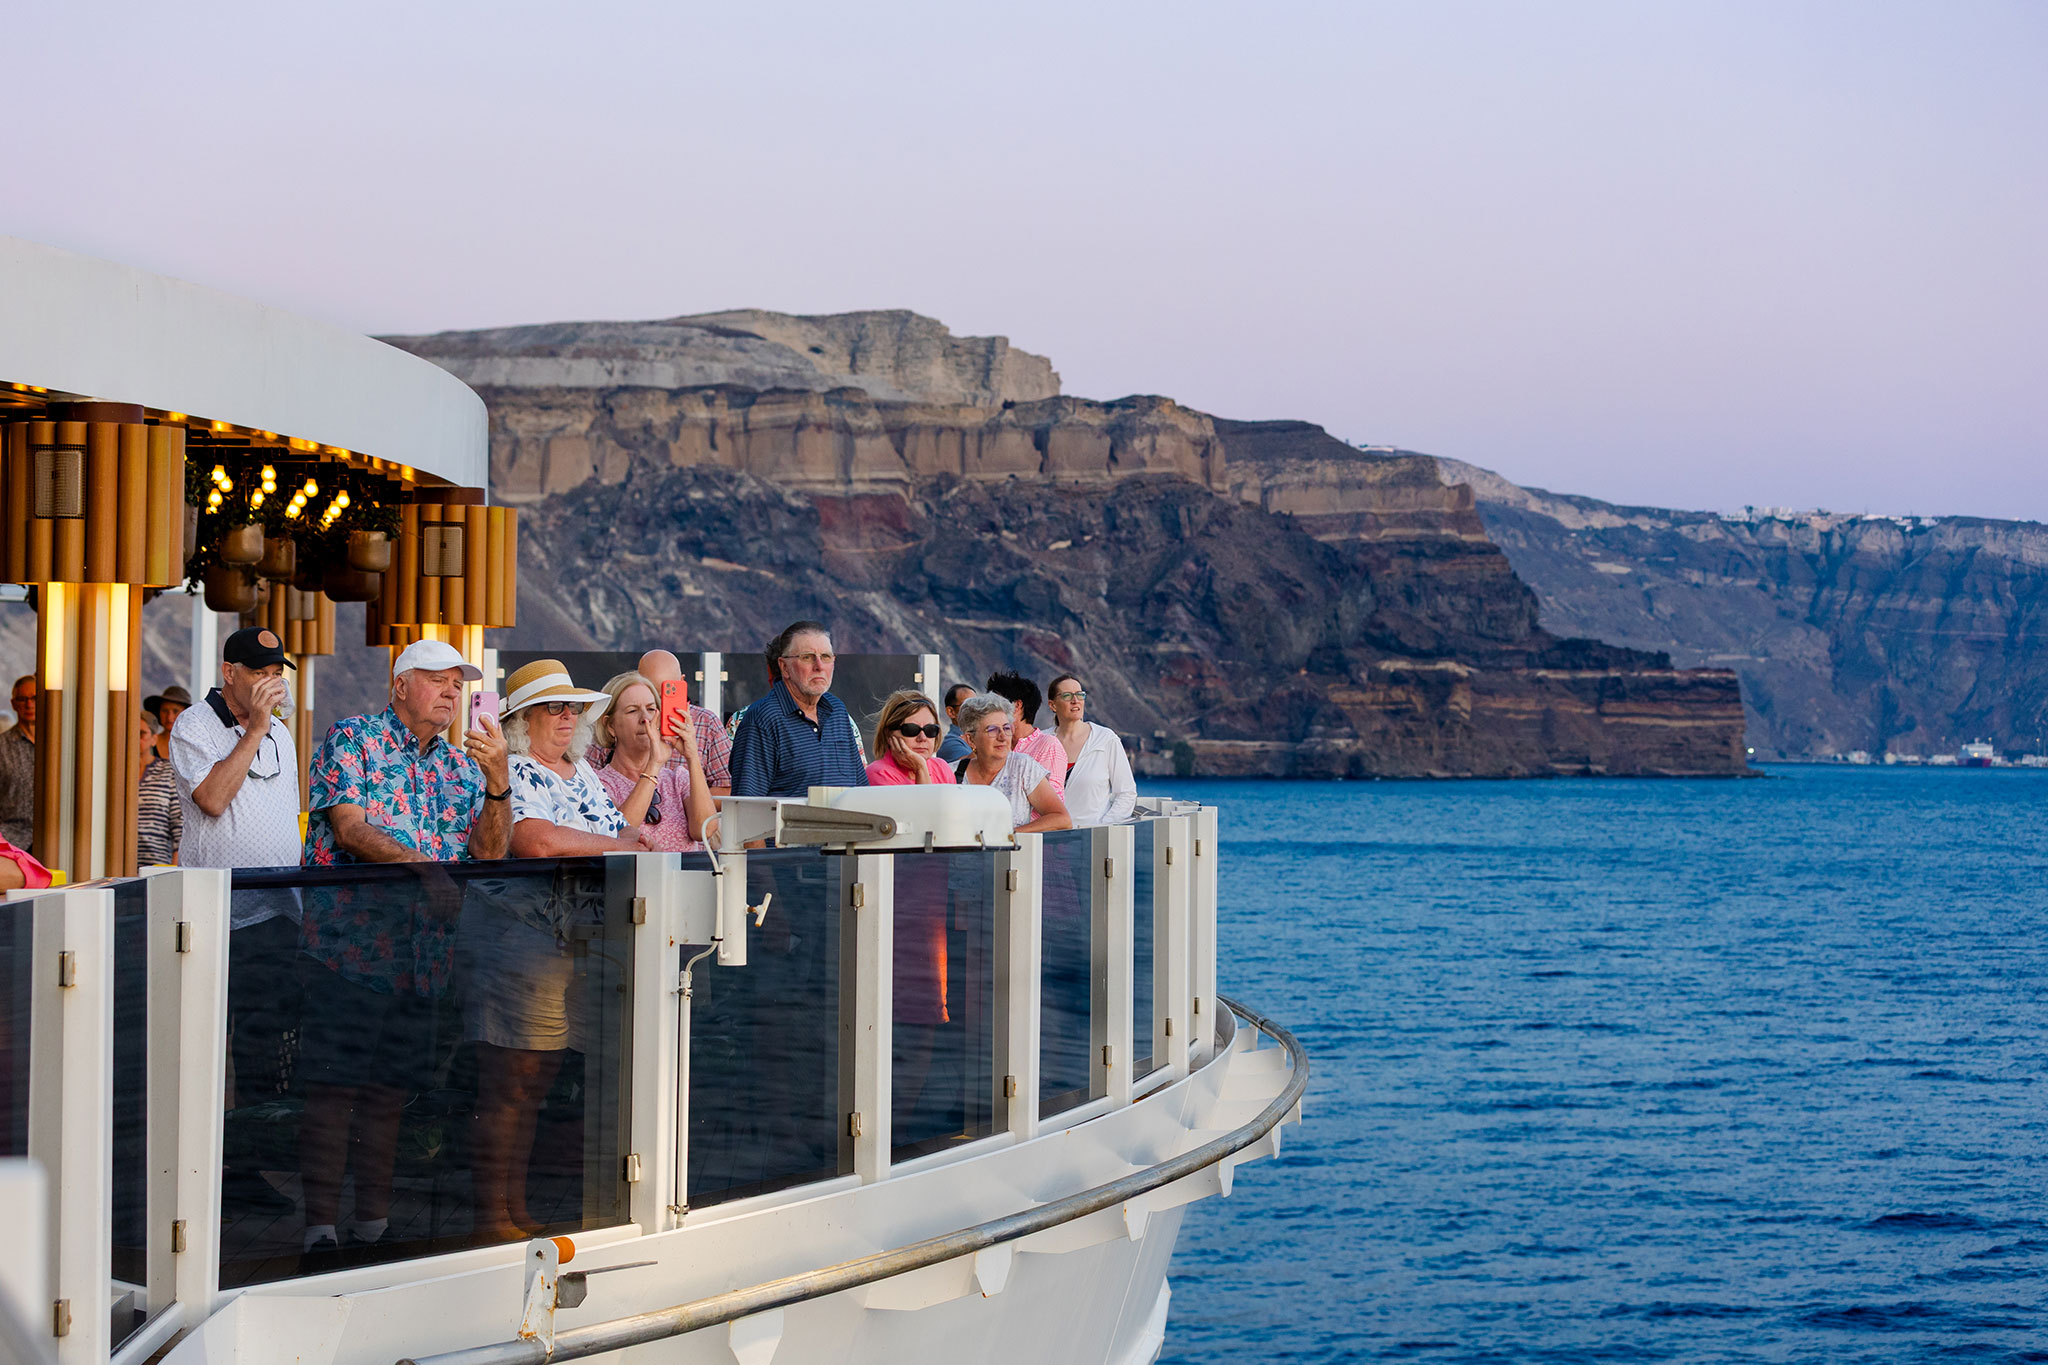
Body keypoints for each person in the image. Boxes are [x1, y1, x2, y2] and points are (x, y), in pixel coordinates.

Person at [296, 638, 512, 1268]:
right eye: (438, 681)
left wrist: (498, 782)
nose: (451, 693)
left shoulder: (460, 766)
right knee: (333, 1092)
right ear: (399, 686)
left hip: (421, 958)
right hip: (349, 948)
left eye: (458, 684)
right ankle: (315, 1233)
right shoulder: (354, 738)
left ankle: (373, 1226)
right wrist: (429, 871)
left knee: (391, 1093)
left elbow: (492, 852)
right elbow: (350, 828)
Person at [464, 659, 648, 1241]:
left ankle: (512, 1208)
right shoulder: (512, 769)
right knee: (512, 1078)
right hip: (522, 941)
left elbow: (620, 835)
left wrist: (615, 842)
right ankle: (492, 1214)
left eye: (573, 707)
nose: (568, 717)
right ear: (522, 720)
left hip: (577, 943)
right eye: (554, 707)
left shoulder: (580, 774)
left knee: (536, 1081)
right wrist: (614, 845)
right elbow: (534, 840)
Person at [728, 621, 871, 797]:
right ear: (784, 667)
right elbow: (747, 807)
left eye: (826, 656)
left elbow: (861, 791)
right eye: (807, 657)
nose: (819, 666)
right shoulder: (762, 720)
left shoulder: (837, 711)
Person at [594, 670, 716, 852]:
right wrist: (654, 764)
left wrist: (692, 756)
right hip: (632, 880)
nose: (645, 718)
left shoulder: (677, 779)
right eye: (632, 711)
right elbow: (619, 833)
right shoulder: (597, 783)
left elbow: (705, 830)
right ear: (610, 726)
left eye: (651, 709)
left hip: (683, 879)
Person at [953, 692, 1071, 833]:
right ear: (971, 739)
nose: (1003, 737)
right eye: (992, 730)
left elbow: (1061, 819)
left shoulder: (1022, 767)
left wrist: (1010, 836)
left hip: (1014, 854)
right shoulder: (952, 773)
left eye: (1007, 728)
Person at [633, 650, 733, 795]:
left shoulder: (705, 723)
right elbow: (594, 781)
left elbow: (728, 789)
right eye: (650, 694)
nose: (657, 705)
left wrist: (682, 803)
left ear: (681, 682)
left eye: (665, 694)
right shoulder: (625, 721)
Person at [1048, 674, 1137, 825]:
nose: (1075, 701)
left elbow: (1126, 793)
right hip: (1048, 839)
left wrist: (1103, 828)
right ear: (1053, 705)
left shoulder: (1105, 739)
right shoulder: (1042, 741)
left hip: (1091, 840)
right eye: (1067, 695)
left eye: (1080, 695)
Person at [985, 671, 1066, 801]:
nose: (988, 710)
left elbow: (1052, 803)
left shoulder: (1048, 745)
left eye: (995, 704)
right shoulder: (994, 743)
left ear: (1017, 705)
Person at [865, 689, 959, 786]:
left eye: (930, 730)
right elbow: (926, 801)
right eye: (911, 729)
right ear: (888, 733)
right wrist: (920, 768)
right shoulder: (879, 773)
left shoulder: (942, 768)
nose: (922, 738)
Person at [136, 711, 181, 866]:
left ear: (154, 739)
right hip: (115, 866)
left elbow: (179, 825)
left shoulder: (167, 771)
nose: (135, 739)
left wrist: (173, 872)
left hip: (155, 867)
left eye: (142, 734)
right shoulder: (117, 773)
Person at [0, 675, 35, 849]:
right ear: (14, 704)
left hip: (57, 838)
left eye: (34, 698)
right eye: (23, 699)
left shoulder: (58, 746)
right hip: (13, 840)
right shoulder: (2, 746)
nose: (29, 704)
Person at [143, 685, 191, 764]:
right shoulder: (147, 743)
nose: (169, 717)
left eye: (175, 711)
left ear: (185, 714)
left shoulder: (193, 745)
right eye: (165, 711)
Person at [936, 682, 974, 763]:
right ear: (951, 712)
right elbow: (974, 765)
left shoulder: (974, 738)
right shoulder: (950, 744)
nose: (975, 710)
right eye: (967, 706)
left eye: (977, 705)